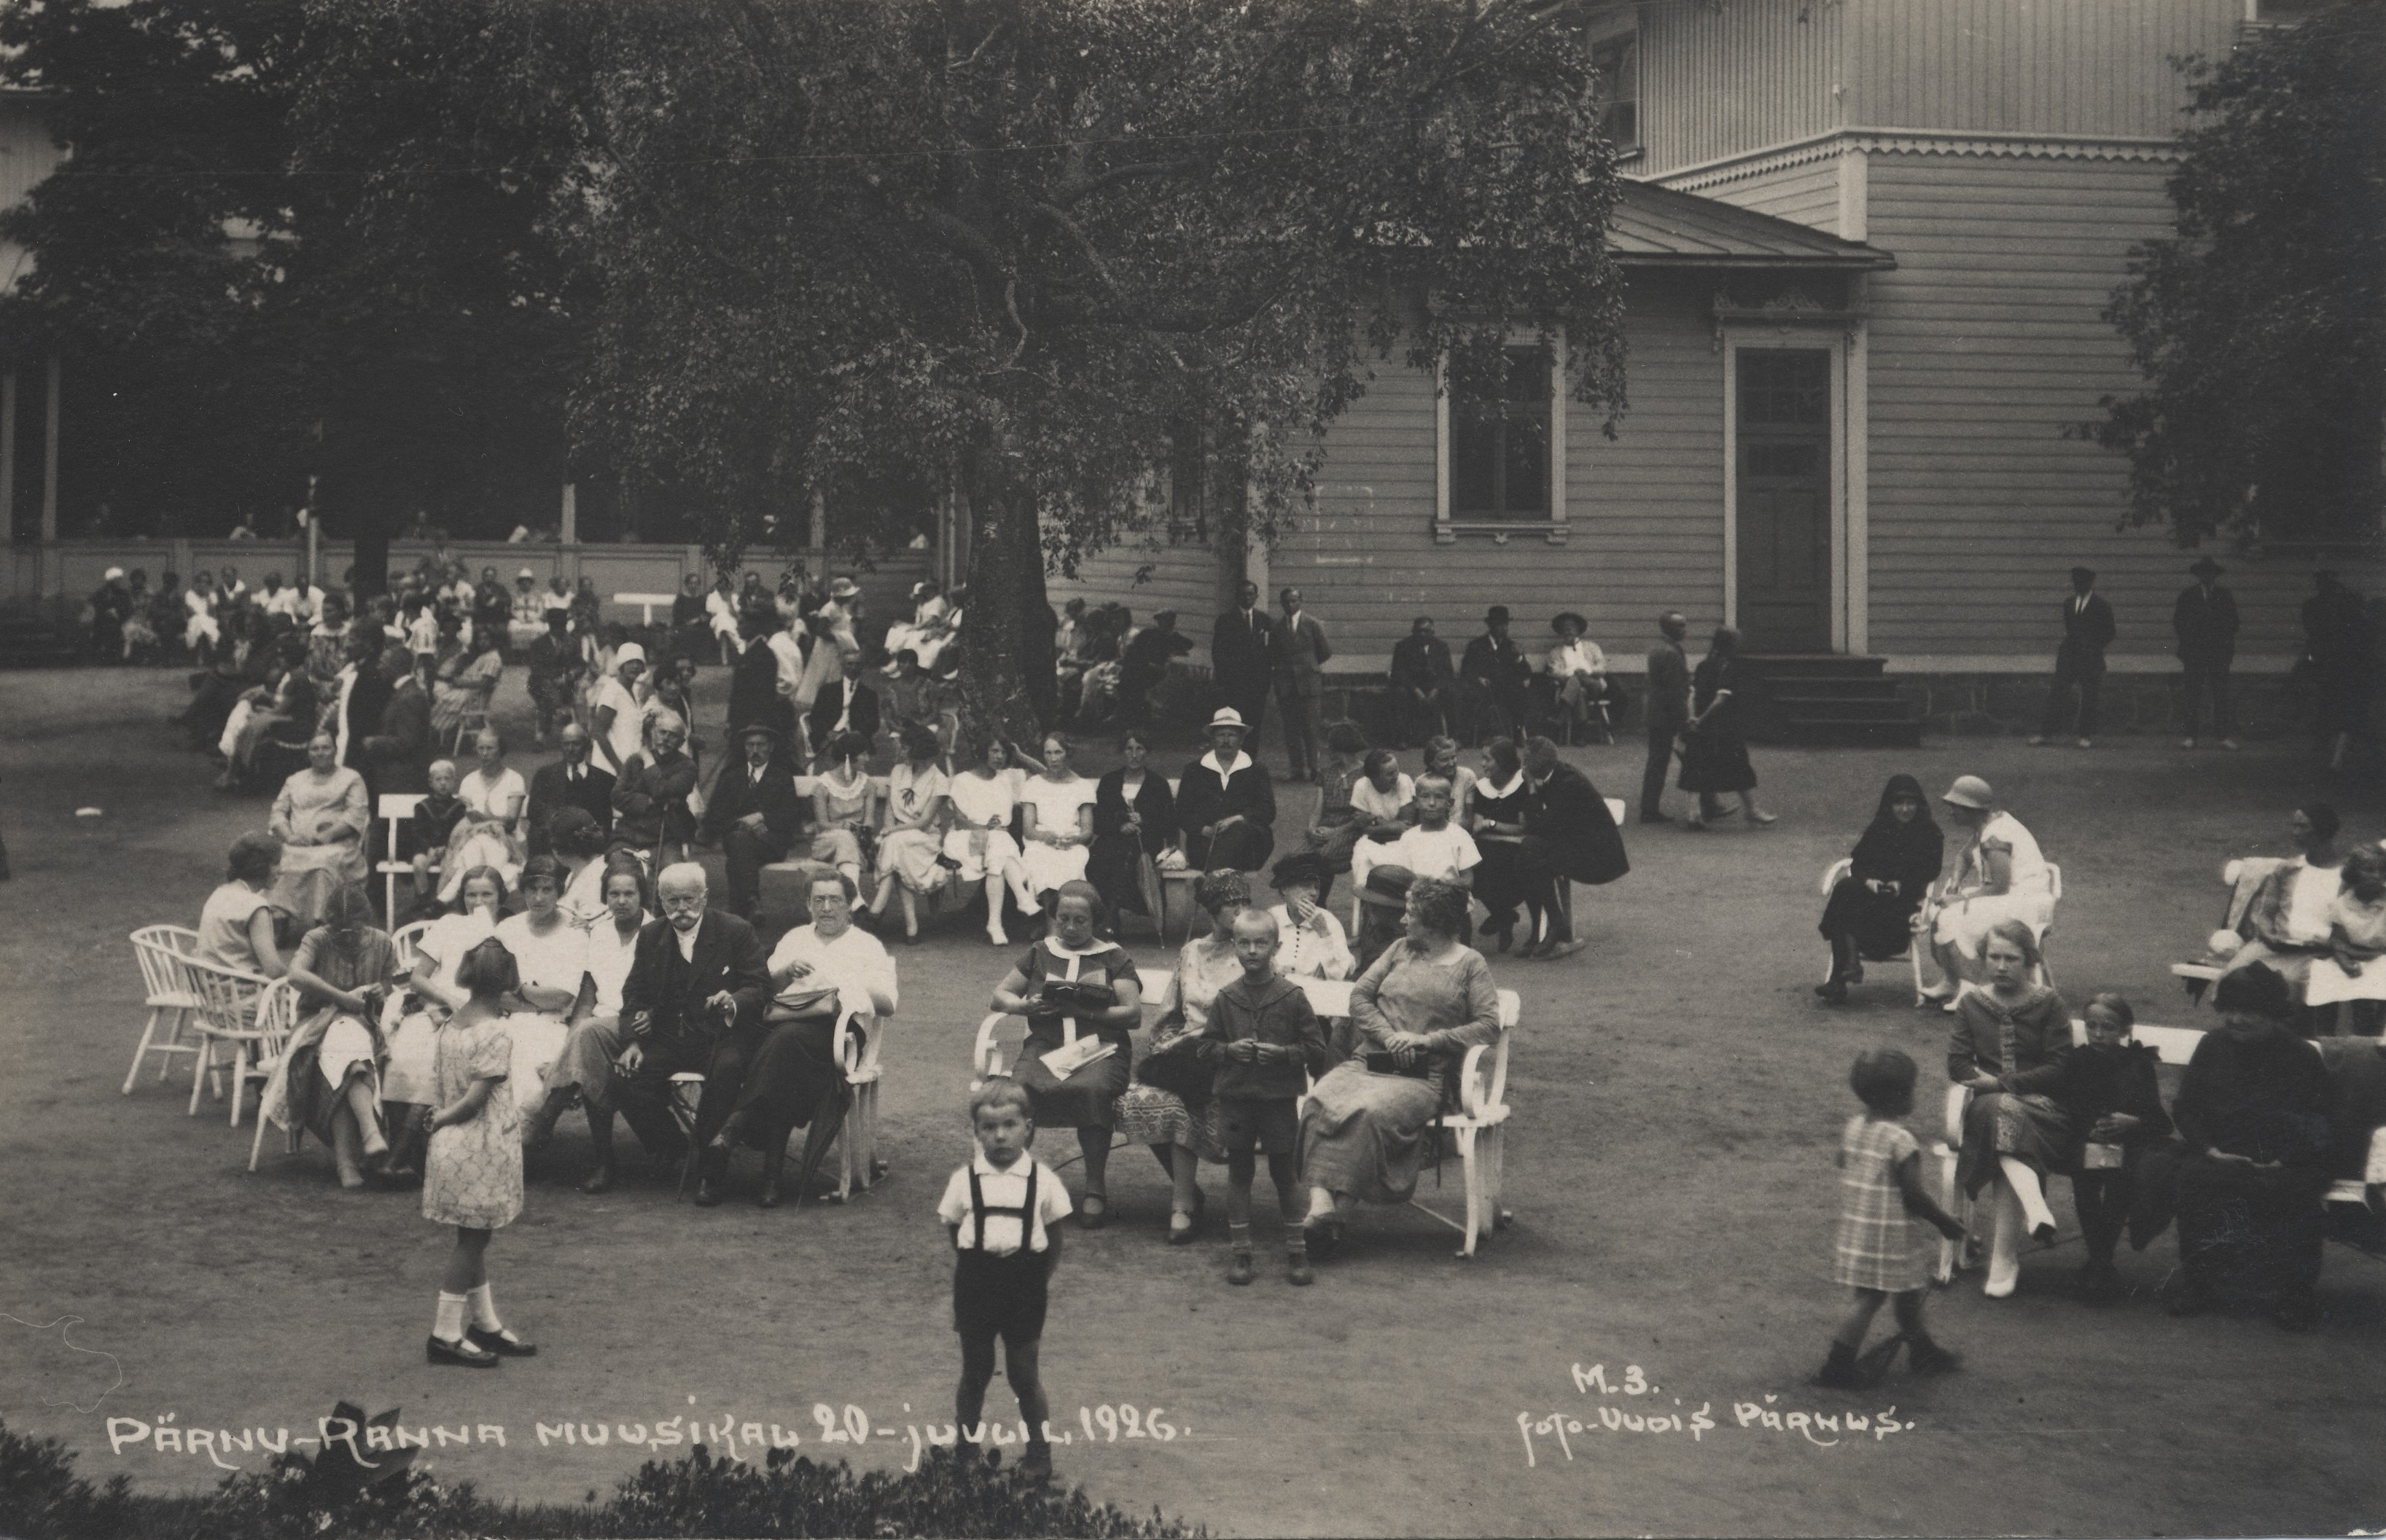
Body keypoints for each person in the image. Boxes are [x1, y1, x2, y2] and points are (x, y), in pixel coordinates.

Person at [1298, 877, 1497, 1254]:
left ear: (1436, 923)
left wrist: (1427, 1041)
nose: (1404, 922)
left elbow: (1487, 1024)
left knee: (1369, 1113)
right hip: (1368, 1061)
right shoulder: (1399, 950)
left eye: (1412, 915)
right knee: (1320, 1098)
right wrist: (1389, 1036)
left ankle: (1333, 1215)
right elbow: (1360, 997)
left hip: (1423, 1074)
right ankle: (1323, 1207)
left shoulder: (1471, 964)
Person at [2156, 964, 2334, 1329]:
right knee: (2195, 1178)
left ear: (2272, 1014)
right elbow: (2185, 1107)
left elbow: (2320, 1121)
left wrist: (2286, 1160)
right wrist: (2209, 1149)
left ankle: (2295, 1294)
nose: (2235, 1019)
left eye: (2248, 1012)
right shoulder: (2212, 1046)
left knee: (2299, 1192)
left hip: (2284, 1159)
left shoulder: (2301, 1056)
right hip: (2222, 1152)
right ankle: (2199, 1283)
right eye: (2230, 1010)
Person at [714, 869, 900, 1206]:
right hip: (788, 1029)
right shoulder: (795, 939)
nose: (826, 908)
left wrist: (851, 979)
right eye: (819, 900)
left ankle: (737, 1126)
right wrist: (785, 972)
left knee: (784, 1043)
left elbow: (888, 1004)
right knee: (785, 1057)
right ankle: (769, 1176)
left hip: (842, 1037)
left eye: (835, 900)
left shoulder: (866, 945)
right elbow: (762, 992)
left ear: (849, 906)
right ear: (808, 905)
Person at [609, 864, 773, 1204]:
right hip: (670, 1036)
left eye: (688, 900)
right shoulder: (652, 935)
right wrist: (634, 1041)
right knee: (625, 1078)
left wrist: (734, 1001)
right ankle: (676, 1146)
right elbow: (634, 993)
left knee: (727, 1070)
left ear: (705, 897)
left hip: (721, 1035)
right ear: (660, 900)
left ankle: (712, 1171)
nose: (681, 909)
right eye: (671, 901)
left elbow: (760, 987)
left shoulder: (734, 930)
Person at [989, 880, 1143, 1226]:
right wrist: (1023, 1007)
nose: (1071, 928)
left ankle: (1094, 1187)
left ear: (1097, 922)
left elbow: (1132, 1014)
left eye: (1080, 921)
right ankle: (1015, 1184)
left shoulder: (1113, 956)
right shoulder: (1040, 952)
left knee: (1092, 1090)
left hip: (1102, 1048)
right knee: (1019, 1091)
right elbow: (999, 995)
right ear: (1053, 918)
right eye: (1063, 920)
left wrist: (1084, 1012)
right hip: (1047, 1046)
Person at [938, 1079, 1070, 1479]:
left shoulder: (1043, 1180)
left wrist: (1034, 1279)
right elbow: (954, 1229)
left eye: (1010, 1125)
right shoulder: (965, 1179)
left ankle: (1040, 1456)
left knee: (1024, 1374)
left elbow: (1054, 1242)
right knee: (975, 1372)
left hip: (1025, 1285)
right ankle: (966, 1452)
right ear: (976, 1132)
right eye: (989, 1128)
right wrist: (977, 1266)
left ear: (1028, 1127)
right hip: (976, 1284)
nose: (1000, 1136)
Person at [1816, 1049, 1967, 1388]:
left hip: (1861, 1228)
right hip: (1887, 1235)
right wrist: (1943, 1221)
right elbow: (1913, 1193)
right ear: (1899, 1097)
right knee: (1870, 1297)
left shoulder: (1854, 1126)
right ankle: (1837, 1367)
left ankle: (1922, 1350)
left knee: (1907, 1292)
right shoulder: (1901, 1139)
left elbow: (1843, 1161)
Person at [421, 937, 535, 1369]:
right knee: (472, 1240)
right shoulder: (497, 1032)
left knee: (474, 1236)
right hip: (477, 1144)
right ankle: (445, 1333)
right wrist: (446, 1117)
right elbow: (475, 1099)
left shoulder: (452, 1023)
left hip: (452, 1147)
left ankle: (484, 1323)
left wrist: (439, 1120)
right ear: (508, 981)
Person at [1119, 871, 1251, 1242]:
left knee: (1183, 1093)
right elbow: (1171, 1009)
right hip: (1192, 1048)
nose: (1240, 912)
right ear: (1213, 910)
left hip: (1234, 1048)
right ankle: (1185, 1195)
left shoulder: (1254, 946)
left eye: (1245, 903)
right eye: (1231, 905)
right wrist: (1164, 1044)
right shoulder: (1192, 950)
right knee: (1143, 1096)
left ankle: (1182, 1205)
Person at [1947, 920, 2075, 1297]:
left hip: (2043, 1108)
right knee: (2002, 1112)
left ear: (2029, 960)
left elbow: (2059, 1066)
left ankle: (2005, 1256)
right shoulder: (1971, 1002)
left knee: (2009, 1125)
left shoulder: (2049, 1003)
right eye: (1994, 957)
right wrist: (1991, 1086)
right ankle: (2028, 1221)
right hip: (1987, 1105)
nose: (2001, 966)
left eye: (2011, 958)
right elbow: (1957, 1064)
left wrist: (2004, 1084)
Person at [1204, 908, 1327, 1286]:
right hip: (1237, 1098)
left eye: (1261, 943)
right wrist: (1229, 1050)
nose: (1252, 951)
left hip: (1277, 1098)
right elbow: (1206, 1047)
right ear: (1234, 946)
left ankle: (1296, 1251)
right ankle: (1241, 1253)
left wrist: (1285, 1055)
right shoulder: (1226, 999)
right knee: (1239, 1173)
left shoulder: (1291, 996)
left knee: (1284, 1174)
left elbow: (1317, 1048)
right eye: (1244, 943)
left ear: (1275, 947)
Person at [523, 860, 651, 1189]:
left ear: (642, 896)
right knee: (587, 1039)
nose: (621, 901)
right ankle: (603, 1161)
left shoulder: (656, 933)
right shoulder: (599, 932)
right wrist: (569, 1045)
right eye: (613, 894)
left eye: (629, 893)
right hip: (599, 1029)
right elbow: (587, 997)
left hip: (643, 1027)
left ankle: (544, 1121)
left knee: (589, 1036)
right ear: (605, 897)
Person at [264, 884, 397, 1189]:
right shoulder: (317, 939)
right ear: (328, 923)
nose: (348, 936)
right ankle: (368, 1134)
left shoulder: (381, 942)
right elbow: (296, 975)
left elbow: (392, 985)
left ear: (368, 922)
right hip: (316, 1025)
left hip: (366, 1027)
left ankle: (346, 1164)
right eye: (340, 930)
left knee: (345, 1050)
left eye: (356, 930)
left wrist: (381, 990)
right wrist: (341, 998)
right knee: (343, 1041)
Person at [2056, 993, 2172, 1300]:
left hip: (2130, 1144)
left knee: (2122, 1179)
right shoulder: (2077, 1061)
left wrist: (2131, 1122)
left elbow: (2159, 1120)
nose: (2097, 1034)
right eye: (2091, 1025)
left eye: (2107, 1027)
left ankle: (2099, 1262)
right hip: (2085, 1141)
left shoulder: (2137, 1064)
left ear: (2124, 1030)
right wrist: (2091, 1128)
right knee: (2086, 1177)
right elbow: (2067, 1107)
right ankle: (2101, 1263)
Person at [1920, 775, 2054, 1002]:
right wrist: (1954, 886)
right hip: (2006, 895)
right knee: (1938, 911)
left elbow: (2000, 886)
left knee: (1952, 916)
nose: (1951, 811)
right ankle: (1951, 980)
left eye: (1955, 806)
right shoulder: (1986, 826)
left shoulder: (1996, 834)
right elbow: (1963, 857)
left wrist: (1960, 900)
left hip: (2024, 900)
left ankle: (1971, 988)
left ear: (1970, 808)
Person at [1816, 775, 1944, 1004]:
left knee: (1845, 906)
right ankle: (1847, 969)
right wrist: (1869, 882)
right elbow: (1858, 863)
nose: (1905, 809)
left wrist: (1901, 884)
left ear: (1919, 804)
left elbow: (1930, 871)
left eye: (1910, 803)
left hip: (1901, 907)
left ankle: (1843, 973)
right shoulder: (1880, 826)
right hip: (1872, 896)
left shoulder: (1930, 833)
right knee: (1847, 888)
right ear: (1889, 804)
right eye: (1898, 803)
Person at [2219, 804, 2348, 1012]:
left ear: (2324, 829)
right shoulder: (2288, 869)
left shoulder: (2347, 874)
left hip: (2321, 952)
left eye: (2302, 827)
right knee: (2235, 976)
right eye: (2294, 826)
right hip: (2277, 947)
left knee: (2286, 984)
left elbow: (2356, 921)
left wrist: (2328, 942)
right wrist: (2270, 935)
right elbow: (2265, 915)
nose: (2294, 833)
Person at [1513, 737, 1629, 961]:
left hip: (1598, 856)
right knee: (1523, 857)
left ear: (1531, 766)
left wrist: (1531, 790)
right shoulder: (1549, 775)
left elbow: (1539, 825)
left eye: (1524, 761)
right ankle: (1540, 929)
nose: (1521, 765)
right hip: (1573, 843)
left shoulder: (1568, 783)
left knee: (1532, 855)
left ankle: (1556, 923)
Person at [491, 856, 590, 1115]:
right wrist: (535, 1002)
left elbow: (561, 998)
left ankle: (519, 1140)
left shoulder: (574, 933)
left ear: (560, 892)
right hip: (504, 1019)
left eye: (547, 890)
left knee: (528, 1072)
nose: (538, 897)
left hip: (554, 1024)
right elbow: (492, 991)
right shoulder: (507, 929)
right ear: (523, 890)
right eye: (532, 889)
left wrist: (518, 988)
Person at [1351, 773, 1478, 969]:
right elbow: (1402, 876)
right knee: (1376, 901)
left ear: (1450, 802)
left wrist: (1433, 884)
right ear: (1417, 802)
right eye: (1425, 797)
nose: (1432, 803)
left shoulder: (1459, 835)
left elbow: (1467, 881)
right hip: (1416, 904)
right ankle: (1370, 964)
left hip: (1449, 904)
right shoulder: (1409, 837)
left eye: (1439, 798)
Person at [699, 723, 809, 921]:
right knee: (740, 841)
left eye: (760, 745)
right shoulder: (731, 778)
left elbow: (791, 815)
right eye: (750, 745)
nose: (755, 751)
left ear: (771, 747)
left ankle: (740, 906)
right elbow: (717, 816)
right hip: (739, 838)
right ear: (744, 747)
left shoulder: (782, 777)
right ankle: (751, 901)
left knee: (737, 852)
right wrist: (743, 823)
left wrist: (762, 817)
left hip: (771, 841)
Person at [265, 732, 371, 927]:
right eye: (315, 749)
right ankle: (279, 918)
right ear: (308, 753)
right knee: (282, 859)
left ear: (335, 751)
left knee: (323, 862)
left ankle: (323, 920)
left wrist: (325, 837)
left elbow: (356, 814)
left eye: (325, 748)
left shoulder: (351, 778)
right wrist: (289, 837)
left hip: (337, 844)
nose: (320, 753)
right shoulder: (295, 780)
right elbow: (278, 812)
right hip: (298, 844)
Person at [1677, 627, 1774, 829]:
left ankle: (1693, 814)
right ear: (1731, 645)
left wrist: (1693, 718)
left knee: (1697, 766)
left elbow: (1692, 695)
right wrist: (1702, 719)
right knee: (1739, 765)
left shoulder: (1704, 665)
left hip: (1701, 727)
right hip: (1723, 725)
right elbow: (1721, 699)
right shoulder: (1728, 666)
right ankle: (1752, 810)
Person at [946, 735, 1039, 945]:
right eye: (994, 751)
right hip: (965, 838)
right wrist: (985, 828)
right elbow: (960, 822)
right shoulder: (963, 780)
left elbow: (1048, 775)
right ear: (983, 752)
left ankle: (995, 924)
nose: (999, 757)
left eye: (1004, 753)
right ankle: (1023, 898)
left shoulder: (1007, 778)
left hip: (997, 843)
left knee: (998, 851)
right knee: (999, 841)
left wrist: (1021, 756)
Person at [1088, 728, 1177, 932]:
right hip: (1113, 839)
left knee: (1128, 857)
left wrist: (1145, 821)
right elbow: (1099, 820)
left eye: (1140, 749)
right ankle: (1109, 914)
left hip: (1145, 843)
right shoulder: (1110, 781)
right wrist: (1120, 826)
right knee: (1099, 858)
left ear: (1147, 752)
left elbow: (1170, 823)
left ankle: (1110, 917)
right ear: (1123, 752)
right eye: (1129, 749)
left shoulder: (1158, 784)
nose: (1134, 755)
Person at [871, 724, 951, 942]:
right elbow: (889, 808)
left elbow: (925, 822)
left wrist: (892, 831)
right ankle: (911, 928)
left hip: (924, 837)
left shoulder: (939, 780)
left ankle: (879, 905)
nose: (901, 753)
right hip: (899, 838)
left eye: (905, 748)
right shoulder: (898, 771)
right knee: (897, 849)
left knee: (896, 844)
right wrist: (888, 830)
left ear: (919, 750)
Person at [1176, 708, 1276, 872]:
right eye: (1221, 735)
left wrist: (1239, 819)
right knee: (1220, 852)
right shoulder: (1195, 770)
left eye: (1232, 735)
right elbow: (1181, 811)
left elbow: (1268, 811)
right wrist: (1202, 829)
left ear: (1241, 739)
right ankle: (1216, 882)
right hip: (1205, 843)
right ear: (1213, 739)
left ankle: (1210, 883)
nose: (1226, 740)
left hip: (1248, 846)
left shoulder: (1256, 770)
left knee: (1238, 831)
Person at [2029, 566, 2114, 748]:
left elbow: (2109, 632)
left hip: (2090, 659)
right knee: (2057, 694)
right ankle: (2046, 734)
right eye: (2075, 582)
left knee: (2090, 697)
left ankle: (2085, 736)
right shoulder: (2068, 604)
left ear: (2090, 584)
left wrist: (2093, 647)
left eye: (2081, 582)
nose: (2077, 585)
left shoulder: (2101, 606)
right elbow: (2071, 629)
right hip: (2069, 657)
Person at [441, 729, 528, 904]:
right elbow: (467, 820)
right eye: (480, 748)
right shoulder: (469, 781)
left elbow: (510, 822)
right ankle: (495, 903)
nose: (484, 754)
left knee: (474, 857)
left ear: (501, 751)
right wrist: (488, 821)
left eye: (490, 748)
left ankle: (444, 901)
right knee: (479, 845)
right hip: (471, 840)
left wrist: (484, 818)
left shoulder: (514, 779)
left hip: (506, 841)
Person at [610, 710, 699, 869]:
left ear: (681, 742)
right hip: (630, 834)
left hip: (666, 835)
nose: (665, 738)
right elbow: (616, 797)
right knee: (620, 869)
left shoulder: (687, 767)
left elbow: (660, 790)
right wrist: (648, 801)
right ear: (653, 733)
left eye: (672, 735)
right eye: (662, 732)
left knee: (672, 876)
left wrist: (649, 761)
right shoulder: (634, 761)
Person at [1466, 738, 1530, 954]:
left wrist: (1492, 824)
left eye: (1488, 759)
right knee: (1475, 866)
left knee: (1504, 864)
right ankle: (1505, 917)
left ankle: (1503, 917)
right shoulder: (1482, 788)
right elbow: (1476, 827)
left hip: (1515, 847)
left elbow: (1522, 828)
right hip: (1487, 846)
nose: (1483, 764)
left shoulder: (1521, 786)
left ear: (1502, 761)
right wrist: (1495, 827)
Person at [2301, 570, 2370, 768]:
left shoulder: (2344, 611)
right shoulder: (2315, 606)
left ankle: (2333, 741)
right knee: (2328, 700)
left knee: (2335, 702)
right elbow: (2314, 630)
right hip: (2327, 660)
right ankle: (2325, 738)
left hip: (2341, 663)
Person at [1018, 733, 1099, 902]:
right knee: (1041, 862)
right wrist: (1044, 836)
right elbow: (1028, 830)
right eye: (1048, 753)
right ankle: (1053, 925)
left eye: (1058, 752)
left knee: (1073, 863)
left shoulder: (1083, 787)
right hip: (1039, 843)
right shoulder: (1033, 784)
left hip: (1072, 845)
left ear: (1068, 754)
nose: (1053, 759)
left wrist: (1074, 840)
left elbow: (1087, 832)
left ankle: (1059, 922)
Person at [197, 832, 288, 978]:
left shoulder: (219, 893)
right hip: (241, 992)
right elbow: (273, 970)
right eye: (276, 864)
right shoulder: (256, 906)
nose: (282, 870)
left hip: (209, 985)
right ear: (260, 866)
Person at [2173, 557, 2241, 750]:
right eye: (2203, 573)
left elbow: (2234, 623)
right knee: (2192, 694)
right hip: (2194, 652)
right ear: (2198, 575)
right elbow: (2179, 622)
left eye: (2210, 573)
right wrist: (2192, 639)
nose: (2207, 576)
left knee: (2221, 694)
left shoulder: (2224, 595)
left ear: (2215, 575)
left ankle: (2222, 736)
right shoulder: (2188, 596)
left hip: (2218, 652)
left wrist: (2218, 635)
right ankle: (2190, 737)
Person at [1271, 587, 1332, 782]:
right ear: (1282, 604)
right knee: (1291, 729)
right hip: (1287, 685)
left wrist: (1309, 666)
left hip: (1309, 684)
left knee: (1311, 728)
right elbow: (1274, 654)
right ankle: (1297, 769)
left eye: (1294, 601)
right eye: (1287, 602)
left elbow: (1325, 651)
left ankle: (1315, 768)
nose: (1291, 605)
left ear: (1301, 601)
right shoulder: (1278, 627)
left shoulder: (1312, 624)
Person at [806, 730, 878, 894]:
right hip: (827, 843)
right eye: (864, 754)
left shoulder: (868, 785)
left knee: (847, 841)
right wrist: (844, 826)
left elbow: (869, 822)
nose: (867, 759)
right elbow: (822, 824)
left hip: (858, 843)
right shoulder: (823, 785)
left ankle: (853, 900)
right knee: (844, 837)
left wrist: (861, 830)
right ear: (849, 756)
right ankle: (855, 898)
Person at [527, 723, 615, 856]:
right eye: (566, 744)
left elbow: (605, 820)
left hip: (588, 848)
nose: (570, 749)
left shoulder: (604, 779)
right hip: (554, 846)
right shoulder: (545, 775)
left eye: (576, 744)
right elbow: (534, 810)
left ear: (586, 745)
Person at [1266, 852, 1353, 984]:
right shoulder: (1270, 919)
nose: (1314, 893)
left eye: (1317, 887)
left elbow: (1340, 977)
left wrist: (1324, 934)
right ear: (1285, 889)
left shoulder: (1329, 922)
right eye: (1306, 885)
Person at [360, 644, 432, 801]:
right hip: (399, 777)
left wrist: (375, 742)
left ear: (396, 666)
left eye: (383, 663)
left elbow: (408, 741)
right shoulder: (404, 692)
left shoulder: (409, 696)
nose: (379, 667)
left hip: (404, 780)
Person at [1210, 580, 1276, 748]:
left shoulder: (1264, 620)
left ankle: (1251, 763)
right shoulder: (1226, 620)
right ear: (1236, 597)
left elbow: (1271, 653)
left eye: (1251, 594)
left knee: (1254, 725)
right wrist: (1226, 680)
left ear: (1256, 596)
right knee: (1237, 724)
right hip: (1236, 684)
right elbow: (1218, 653)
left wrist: (1266, 679)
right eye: (1243, 594)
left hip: (1258, 684)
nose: (1247, 598)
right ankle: (1236, 760)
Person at [1640, 611, 1691, 824]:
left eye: (1684, 625)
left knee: (1658, 761)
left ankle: (1649, 807)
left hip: (1657, 712)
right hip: (1666, 714)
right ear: (1667, 628)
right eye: (1679, 626)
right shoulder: (1670, 652)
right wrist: (1683, 721)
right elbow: (1674, 691)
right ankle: (1649, 810)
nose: (1684, 630)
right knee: (1661, 762)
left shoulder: (1660, 649)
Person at [1543, 613, 1623, 743]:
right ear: (1561, 632)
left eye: (1572, 627)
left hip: (1594, 684)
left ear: (1578, 630)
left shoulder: (1592, 647)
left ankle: (1561, 718)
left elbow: (1602, 667)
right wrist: (1573, 674)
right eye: (1565, 628)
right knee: (1579, 690)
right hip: (1572, 686)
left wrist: (1588, 672)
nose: (1568, 630)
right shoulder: (1556, 653)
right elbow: (1555, 671)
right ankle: (1580, 736)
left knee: (1578, 680)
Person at [1459, 606, 1532, 744]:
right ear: (1491, 625)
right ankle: (1501, 738)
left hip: (1508, 692)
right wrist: (1478, 678)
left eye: (1506, 625)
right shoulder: (1476, 646)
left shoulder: (1512, 646)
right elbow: (1466, 669)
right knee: (1490, 702)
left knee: (1518, 695)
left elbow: (1526, 672)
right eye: (1500, 625)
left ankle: (1512, 735)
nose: (1504, 628)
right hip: (1485, 690)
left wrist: (1519, 658)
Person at [1389, 617, 1456, 749]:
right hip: (1412, 688)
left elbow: (1447, 672)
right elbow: (1399, 672)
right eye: (1419, 631)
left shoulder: (1441, 647)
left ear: (1433, 632)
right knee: (1399, 693)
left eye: (1426, 631)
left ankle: (1454, 737)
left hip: (1434, 688)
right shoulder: (1403, 646)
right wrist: (1415, 690)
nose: (1423, 634)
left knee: (1453, 693)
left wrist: (1437, 689)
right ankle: (1402, 739)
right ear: (1413, 631)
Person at [590, 642, 650, 778]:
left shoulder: (634, 691)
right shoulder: (612, 691)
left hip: (630, 767)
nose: (635, 666)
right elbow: (599, 732)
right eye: (630, 662)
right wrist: (619, 767)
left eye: (638, 662)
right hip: (610, 769)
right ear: (621, 665)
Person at [523, 609, 579, 749]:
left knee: (545, 700)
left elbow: (581, 664)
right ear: (551, 626)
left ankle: (540, 739)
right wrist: (554, 679)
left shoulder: (571, 643)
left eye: (563, 625)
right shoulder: (538, 644)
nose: (560, 629)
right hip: (540, 683)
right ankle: (560, 710)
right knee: (546, 688)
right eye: (557, 626)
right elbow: (536, 669)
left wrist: (570, 674)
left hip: (565, 685)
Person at [807, 663, 881, 760]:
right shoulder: (827, 690)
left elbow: (874, 722)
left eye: (857, 665)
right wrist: (827, 732)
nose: (853, 668)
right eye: (849, 664)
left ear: (862, 668)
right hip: (829, 738)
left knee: (858, 755)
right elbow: (815, 718)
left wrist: (859, 732)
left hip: (856, 738)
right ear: (842, 666)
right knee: (835, 755)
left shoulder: (869, 694)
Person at [90, 568, 131, 662]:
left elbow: (128, 608)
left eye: (120, 579)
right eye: (117, 579)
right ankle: (105, 656)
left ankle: (116, 656)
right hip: (103, 621)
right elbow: (97, 607)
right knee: (106, 629)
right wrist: (108, 612)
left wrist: (118, 612)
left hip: (121, 620)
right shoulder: (100, 593)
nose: (119, 582)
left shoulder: (124, 594)